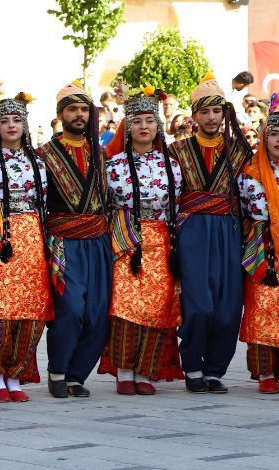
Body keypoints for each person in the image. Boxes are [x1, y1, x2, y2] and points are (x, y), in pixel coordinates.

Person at [168, 72, 251, 393]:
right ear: (194, 115)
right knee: (199, 305)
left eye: (217, 111)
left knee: (229, 307)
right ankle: (192, 366)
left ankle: (215, 370)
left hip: (229, 231)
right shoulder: (177, 150)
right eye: (205, 112)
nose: (212, 117)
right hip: (193, 232)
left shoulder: (240, 151)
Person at [99, 86, 183, 395]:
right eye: (137, 121)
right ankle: (124, 370)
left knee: (157, 307)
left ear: (158, 126)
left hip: (160, 241)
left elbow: (178, 209)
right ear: (127, 127)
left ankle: (146, 371)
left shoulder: (172, 166)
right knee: (125, 306)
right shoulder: (114, 166)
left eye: (149, 121)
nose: (144, 127)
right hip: (126, 240)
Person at [0, 80, 51, 403]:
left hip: (31, 236)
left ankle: (16, 374)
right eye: (4, 121)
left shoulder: (38, 163)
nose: (11, 126)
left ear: (25, 125)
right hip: (0, 235)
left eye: (17, 120)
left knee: (30, 309)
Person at [36, 81, 111, 399]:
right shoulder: (44, 155)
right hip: (63, 242)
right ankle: (57, 370)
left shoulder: (101, 154)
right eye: (72, 109)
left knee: (97, 313)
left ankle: (76, 375)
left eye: (83, 109)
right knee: (71, 309)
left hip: (98, 240)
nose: (79, 114)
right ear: (60, 115)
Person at [238, 94, 279, 394]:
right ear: (264, 138)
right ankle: (265, 373)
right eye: (274, 133)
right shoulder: (250, 174)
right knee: (262, 306)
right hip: (262, 246)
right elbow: (242, 213)